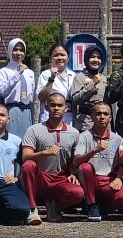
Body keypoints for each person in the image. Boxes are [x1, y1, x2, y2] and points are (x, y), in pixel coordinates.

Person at [21, 94, 84, 225]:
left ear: (66, 108)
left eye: (60, 105)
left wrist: (73, 173)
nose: (56, 108)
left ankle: (54, 206)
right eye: (53, 105)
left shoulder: (74, 132)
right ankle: (32, 209)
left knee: (78, 193)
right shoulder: (34, 130)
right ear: (46, 107)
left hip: (59, 178)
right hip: (40, 176)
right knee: (28, 165)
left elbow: (73, 159)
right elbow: (25, 156)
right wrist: (44, 153)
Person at [72, 102, 123, 221]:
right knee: (85, 167)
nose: (102, 117)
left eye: (106, 114)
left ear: (110, 118)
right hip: (90, 180)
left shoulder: (117, 139)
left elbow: (122, 163)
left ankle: (105, 205)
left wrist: (119, 178)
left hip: (108, 180)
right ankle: (91, 204)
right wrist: (94, 150)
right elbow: (75, 161)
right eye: (98, 113)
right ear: (92, 116)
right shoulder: (84, 136)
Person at [0, 38, 36, 142]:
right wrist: (18, 74)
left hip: (26, 111)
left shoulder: (30, 73)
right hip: (12, 110)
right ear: (10, 51)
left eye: (21, 50)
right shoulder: (4, 71)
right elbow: (2, 92)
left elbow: (32, 96)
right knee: (11, 142)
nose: (18, 53)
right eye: (15, 50)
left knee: (26, 142)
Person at [69, 45, 108, 131]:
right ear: (86, 59)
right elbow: (75, 99)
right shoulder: (79, 77)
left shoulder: (103, 78)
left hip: (101, 123)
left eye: (99, 57)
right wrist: (92, 84)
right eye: (92, 57)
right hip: (85, 123)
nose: (96, 60)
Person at [36, 44, 75, 124]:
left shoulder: (73, 75)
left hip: (69, 120)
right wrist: (51, 79)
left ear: (68, 58)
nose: (60, 58)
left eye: (62, 55)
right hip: (49, 119)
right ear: (50, 59)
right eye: (56, 55)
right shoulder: (45, 74)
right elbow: (41, 98)